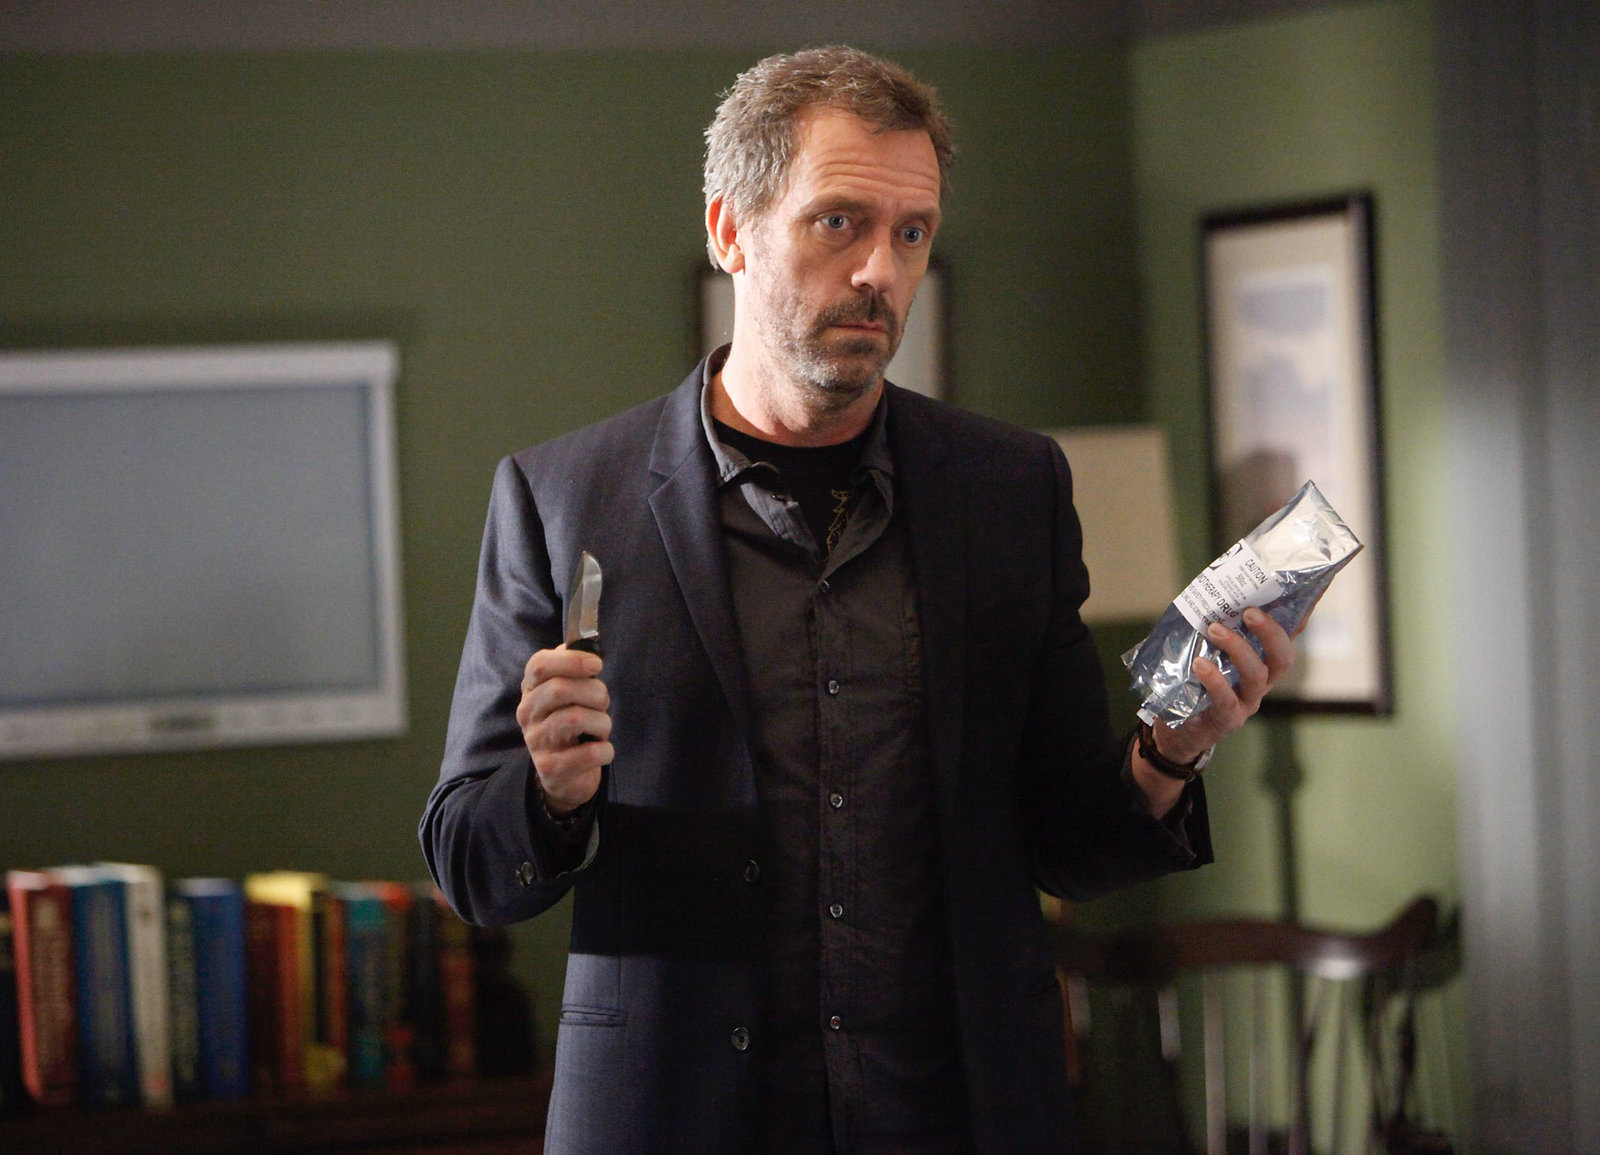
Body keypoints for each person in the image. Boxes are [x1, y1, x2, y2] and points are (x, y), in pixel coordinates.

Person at [420, 45, 1295, 1155]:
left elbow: (1068, 840)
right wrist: (549, 794)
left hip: (958, 1114)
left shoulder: (1010, 487)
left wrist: (1172, 749)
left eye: (912, 233)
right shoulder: (562, 498)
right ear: (730, 231)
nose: (881, 269)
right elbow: (468, 864)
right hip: (676, 1117)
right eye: (838, 223)